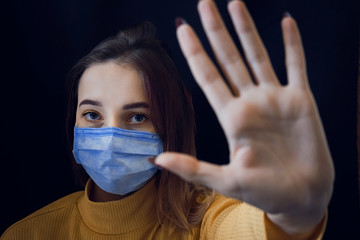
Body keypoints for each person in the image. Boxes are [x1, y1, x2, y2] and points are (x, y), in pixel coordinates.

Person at [1, 0, 334, 239]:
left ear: (170, 125)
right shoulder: (28, 233)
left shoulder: (207, 221)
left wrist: (294, 215)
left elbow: (252, 230)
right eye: (92, 114)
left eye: (137, 116)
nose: (111, 136)